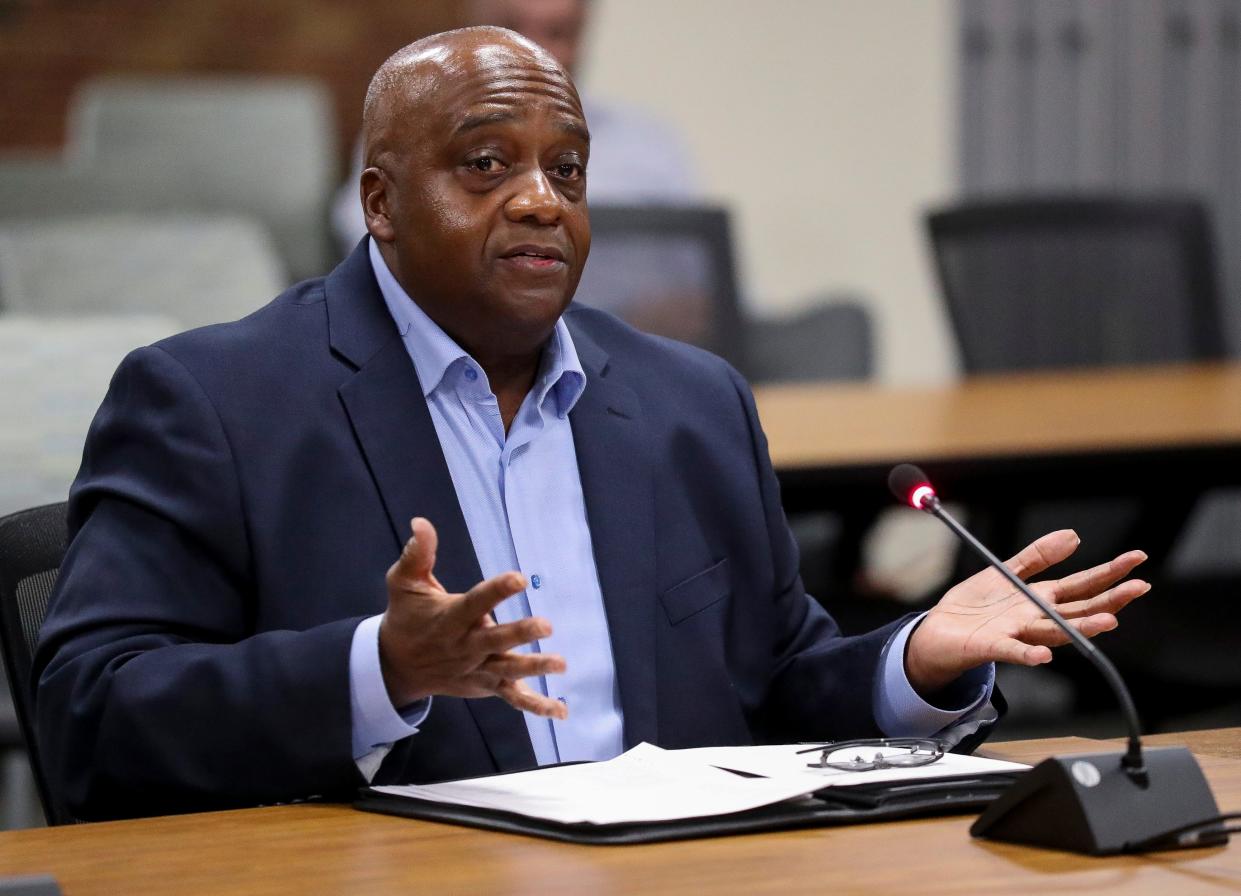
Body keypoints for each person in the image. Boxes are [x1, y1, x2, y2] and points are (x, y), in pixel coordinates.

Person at [34, 27, 1147, 821]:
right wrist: (381, 667)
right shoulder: (213, 403)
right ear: (379, 202)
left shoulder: (686, 403)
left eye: (564, 170)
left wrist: (913, 660)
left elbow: (773, 685)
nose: (538, 201)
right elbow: (93, 719)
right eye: (484, 165)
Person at [330, 0, 698, 256]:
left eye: (556, 32)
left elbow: (698, 272)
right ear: (470, 24)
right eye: (511, 28)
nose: (530, 50)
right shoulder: (411, 125)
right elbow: (362, 237)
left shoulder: (648, 144)